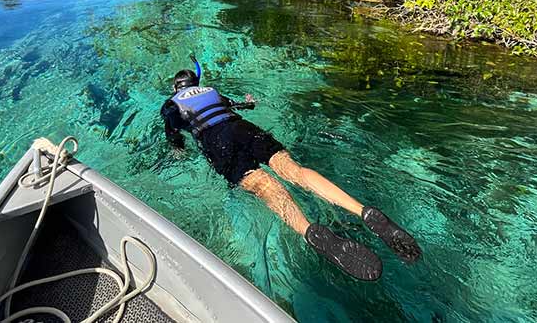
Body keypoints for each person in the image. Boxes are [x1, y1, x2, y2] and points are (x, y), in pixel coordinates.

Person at [160, 64, 421, 281]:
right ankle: (363, 211)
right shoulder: (212, 91)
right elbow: (238, 106)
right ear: (196, 82)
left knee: (263, 184)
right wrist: (250, 102)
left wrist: (177, 149)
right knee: (294, 170)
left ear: (176, 88)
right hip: (241, 127)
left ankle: (310, 231)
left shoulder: (171, 103)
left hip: (217, 140)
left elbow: (173, 132)